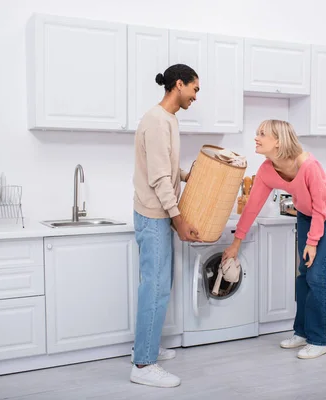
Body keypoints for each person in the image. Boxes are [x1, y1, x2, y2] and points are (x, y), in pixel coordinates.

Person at [223, 119, 326, 360]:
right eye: (257, 133)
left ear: (278, 141)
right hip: (306, 213)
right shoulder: (267, 170)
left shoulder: (307, 165)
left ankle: (320, 339)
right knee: (303, 273)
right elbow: (252, 207)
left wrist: (312, 242)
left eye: (262, 134)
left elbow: (321, 207)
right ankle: (301, 332)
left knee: (317, 275)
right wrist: (236, 242)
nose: (256, 138)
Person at [131, 64, 201, 388]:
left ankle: (148, 345)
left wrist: (187, 175)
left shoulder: (168, 119)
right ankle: (143, 364)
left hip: (158, 213)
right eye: (194, 89)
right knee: (155, 288)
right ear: (178, 84)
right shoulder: (157, 121)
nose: (195, 96)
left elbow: (166, 167)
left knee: (161, 287)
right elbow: (159, 178)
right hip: (155, 215)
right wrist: (179, 219)